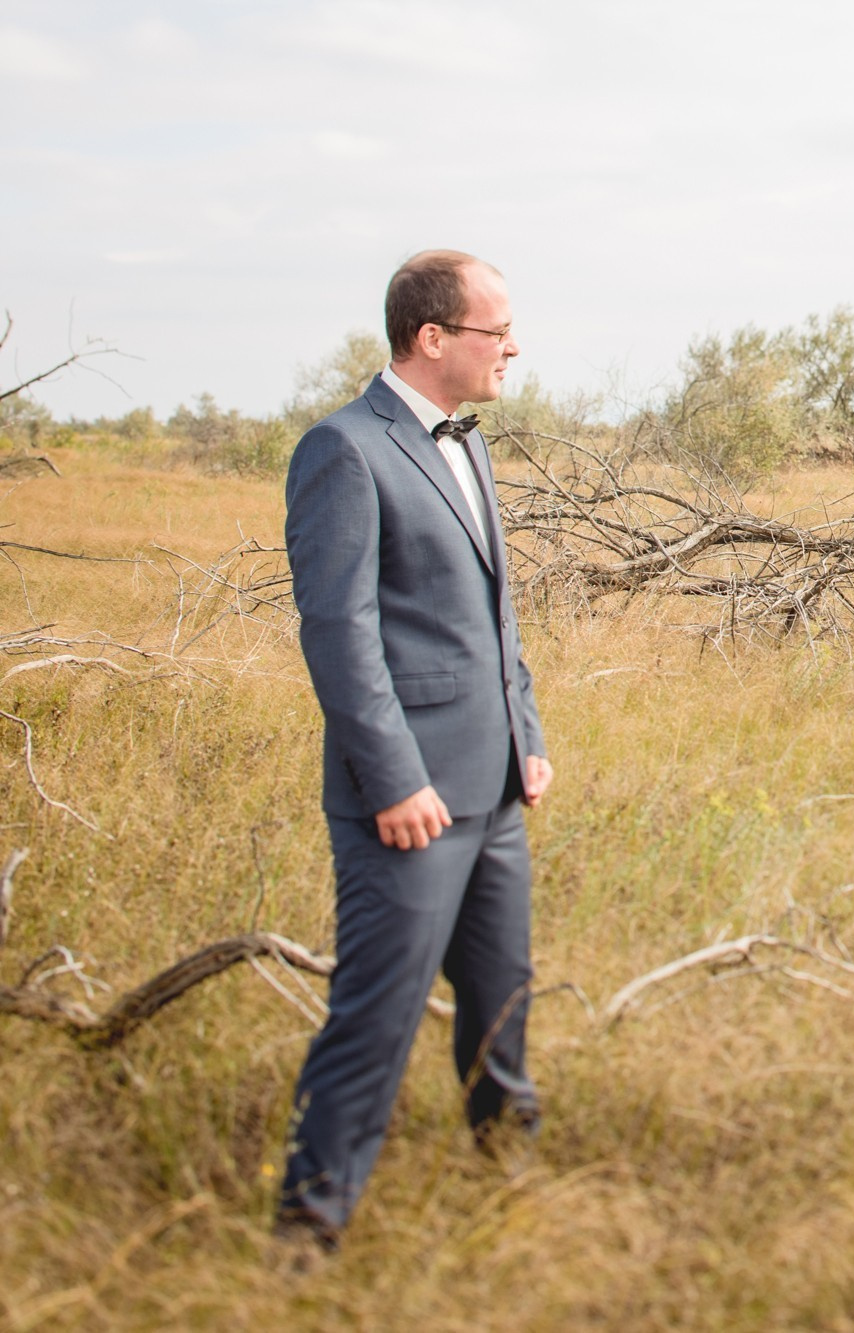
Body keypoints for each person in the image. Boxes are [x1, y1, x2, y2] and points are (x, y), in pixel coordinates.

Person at [277, 250, 553, 1251]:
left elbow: (493, 613)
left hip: (494, 792)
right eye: (497, 330)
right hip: (409, 803)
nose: (513, 347)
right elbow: (339, 634)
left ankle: (506, 1166)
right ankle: (308, 1225)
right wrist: (395, 780)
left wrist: (526, 737)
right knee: (377, 1016)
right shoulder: (343, 450)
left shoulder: (466, 445)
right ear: (432, 337)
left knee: (500, 996)